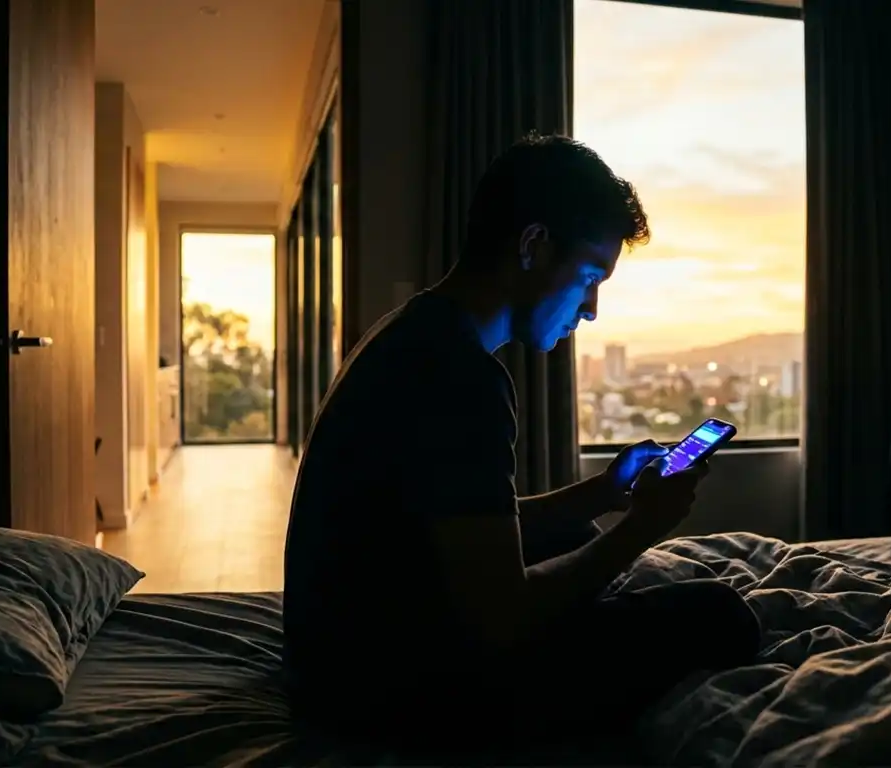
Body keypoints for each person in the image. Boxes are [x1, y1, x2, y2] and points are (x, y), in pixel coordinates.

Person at [282, 133, 761, 757]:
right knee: (720, 613)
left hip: (342, 659)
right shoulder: (461, 377)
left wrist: (601, 493)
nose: (591, 309)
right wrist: (640, 529)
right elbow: (499, 619)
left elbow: (461, 527)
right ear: (533, 246)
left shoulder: (414, 333)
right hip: (390, 696)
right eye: (590, 277)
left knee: (573, 534)